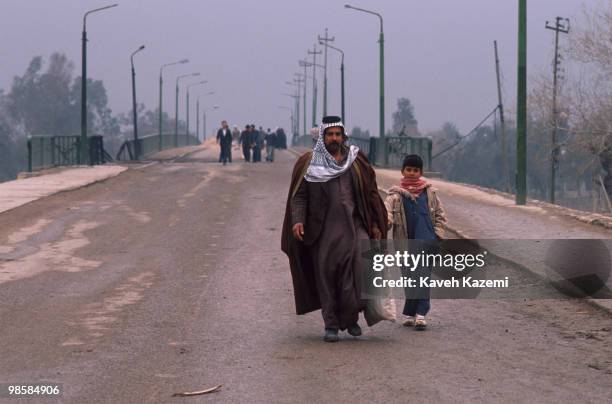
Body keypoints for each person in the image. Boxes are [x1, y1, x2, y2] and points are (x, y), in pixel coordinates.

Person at [281, 116, 388, 342]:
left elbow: (371, 194)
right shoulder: (310, 163)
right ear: (322, 136)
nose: (334, 138)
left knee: (359, 272)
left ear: (343, 136)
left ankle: (350, 318)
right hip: (322, 231)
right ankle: (331, 324)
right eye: (329, 134)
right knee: (326, 277)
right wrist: (298, 221)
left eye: (338, 134)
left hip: (355, 226)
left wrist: (377, 224)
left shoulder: (356, 161)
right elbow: (299, 196)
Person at [383, 154, 447, 330]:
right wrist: (386, 222)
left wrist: (438, 234)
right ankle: (411, 314)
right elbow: (386, 212)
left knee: (423, 277)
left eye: (415, 170)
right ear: (403, 171)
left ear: (421, 172)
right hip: (405, 244)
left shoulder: (430, 193)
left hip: (426, 242)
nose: (412, 173)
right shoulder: (395, 195)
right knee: (410, 278)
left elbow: (441, 215)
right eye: (409, 169)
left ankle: (421, 314)